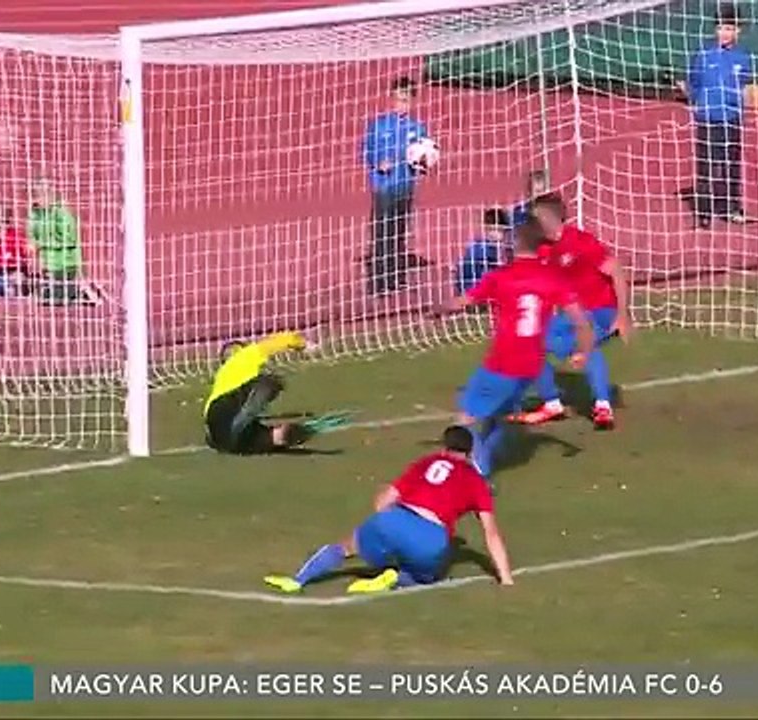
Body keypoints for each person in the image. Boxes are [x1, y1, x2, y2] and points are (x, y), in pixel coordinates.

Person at [431, 218, 594, 480]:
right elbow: (581, 321)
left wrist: (437, 309)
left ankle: (470, 476)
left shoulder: (501, 277)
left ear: (515, 244)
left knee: (465, 418)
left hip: (502, 363)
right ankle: (480, 464)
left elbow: (463, 301)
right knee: (498, 416)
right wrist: (583, 352)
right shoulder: (552, 278)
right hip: (531, 366)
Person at [263, 425, 513, 594]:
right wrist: (505, 578)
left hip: (395, 519)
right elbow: (490, 533)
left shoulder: (426, 463)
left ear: (444, 448)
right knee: (428, 577)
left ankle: (297, 581)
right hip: (432, 539)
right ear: (469, 453)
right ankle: (396, 577)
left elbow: (383, 504)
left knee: (346, 547)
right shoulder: (476, 481)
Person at [512, 193, 633, 430]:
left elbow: (616, 270)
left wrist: (622, 315)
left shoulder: (580, 242)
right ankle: (552, 403)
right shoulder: (545, 250)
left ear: (549, 219)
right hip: (574, 316)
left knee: (583, 342)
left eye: (536, 219)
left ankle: (603, 405)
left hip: (602, 311)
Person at [682, 3, 753, 229]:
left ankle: (732, 208)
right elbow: (691, 83)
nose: (725, 33)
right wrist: (697, 104)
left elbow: (744, 87)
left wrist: (743, 112)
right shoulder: (703, 55)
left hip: (731, 118)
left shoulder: (743, 58)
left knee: (731, 164)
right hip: (707, 118)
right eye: (721, 28)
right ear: (715, 30)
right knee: (706, 166)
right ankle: (704, 212)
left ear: (738, 31)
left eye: (730, 28)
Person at [361, 76, 433, 296]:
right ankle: (377, 281)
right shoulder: (378, 125)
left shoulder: (418, 129)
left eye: (405, 100)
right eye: (397, 99)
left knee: (399, 232)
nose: (401, 104)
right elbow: (365, 151)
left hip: (405, 186)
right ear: (391, 100)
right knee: (382, 233)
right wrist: (377, 163)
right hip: (383, 187)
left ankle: (395, 277)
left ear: (412, 101)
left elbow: (427, 157)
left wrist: (424, 164)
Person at [203, 331, 317, 455]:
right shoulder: (244, 357)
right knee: (253, 392)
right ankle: (277, 433)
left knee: (244, 433)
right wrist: (301, 343)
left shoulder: (221, 378)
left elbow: (208, 415)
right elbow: (270, 345)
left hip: (221, 430)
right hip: (228, 407)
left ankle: (275, 435)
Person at [29, 177, 96, 305]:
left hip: (65, 264)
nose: (39, 198)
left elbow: (70, 240)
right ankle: (72, 291)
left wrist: (42, 244)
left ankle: (80, 290)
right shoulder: (36, 213)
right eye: (37, 194)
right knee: (44, 298)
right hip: (47, 266)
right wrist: (32, 243)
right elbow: (32, 234)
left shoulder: (62, 212)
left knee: (53, 300)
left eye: (44, 194)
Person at [454, 208, 511, 296]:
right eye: (502, 230)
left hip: (468, 291)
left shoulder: (477, 245)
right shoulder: (485, 249)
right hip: (477, 293)